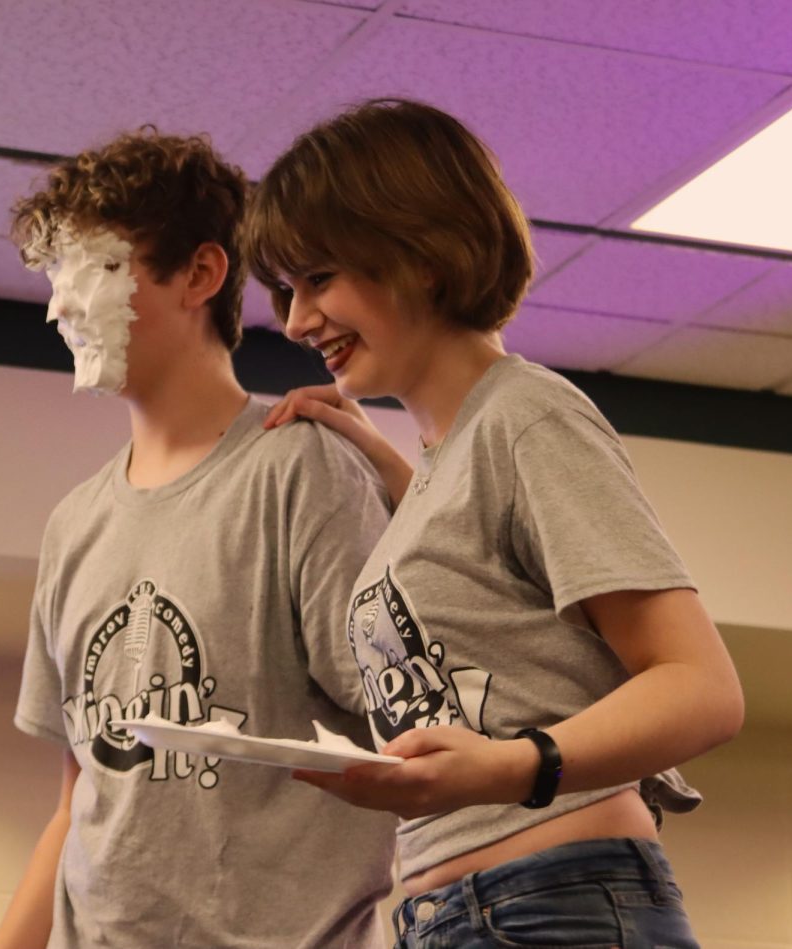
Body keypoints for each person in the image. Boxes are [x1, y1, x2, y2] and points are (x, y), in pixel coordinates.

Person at [245, 98, 744, 948]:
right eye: (288, 291)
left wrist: (517, 764)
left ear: (420, 255)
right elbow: (480, 585)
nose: (295, 321)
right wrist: (391, 464)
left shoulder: (530, 417)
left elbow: (703, 687)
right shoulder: (457, 450)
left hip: (555, 903)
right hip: (462, 914)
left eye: (319, 279)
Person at [0, 128, 396, 949]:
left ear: (202, 275)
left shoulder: (301, 472)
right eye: (50, 274)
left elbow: (414, 729)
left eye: (92, 266)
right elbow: (78, 806)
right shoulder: (74, 525)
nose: (57, 304)